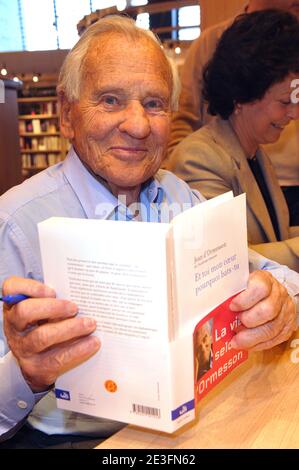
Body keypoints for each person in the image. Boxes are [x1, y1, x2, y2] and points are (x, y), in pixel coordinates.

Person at [0, 15, 298, 449]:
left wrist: (279, 304)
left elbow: (270, 277)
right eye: (110, 100)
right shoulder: (15, 224)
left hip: (189, 424)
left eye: (155, 104)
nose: (138, 125)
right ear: (67, 114)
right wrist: (26, 372)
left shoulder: (180, 196)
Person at [171, 10, 299, 271]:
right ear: (241, 97)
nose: (294, 114)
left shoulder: (255, 153)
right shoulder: (199, 159)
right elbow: (224, 261)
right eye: (284, 102)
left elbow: (276, 235)